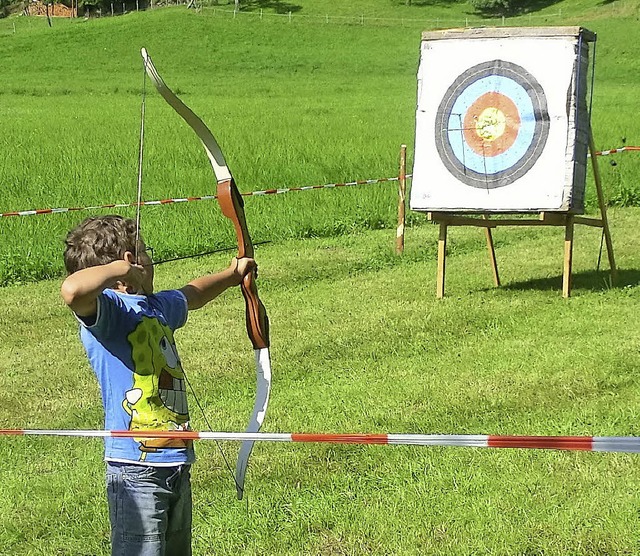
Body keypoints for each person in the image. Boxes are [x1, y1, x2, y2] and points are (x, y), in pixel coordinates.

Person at [60, 214, 256, 556]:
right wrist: (119, 272)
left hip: (177, 460)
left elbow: (192, 294)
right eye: (144, 253)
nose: (151, 259)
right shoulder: (109, 311)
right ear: (129, 264)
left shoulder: (157, 306)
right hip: (135, 469)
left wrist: (233, 274)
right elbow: (72, 290)